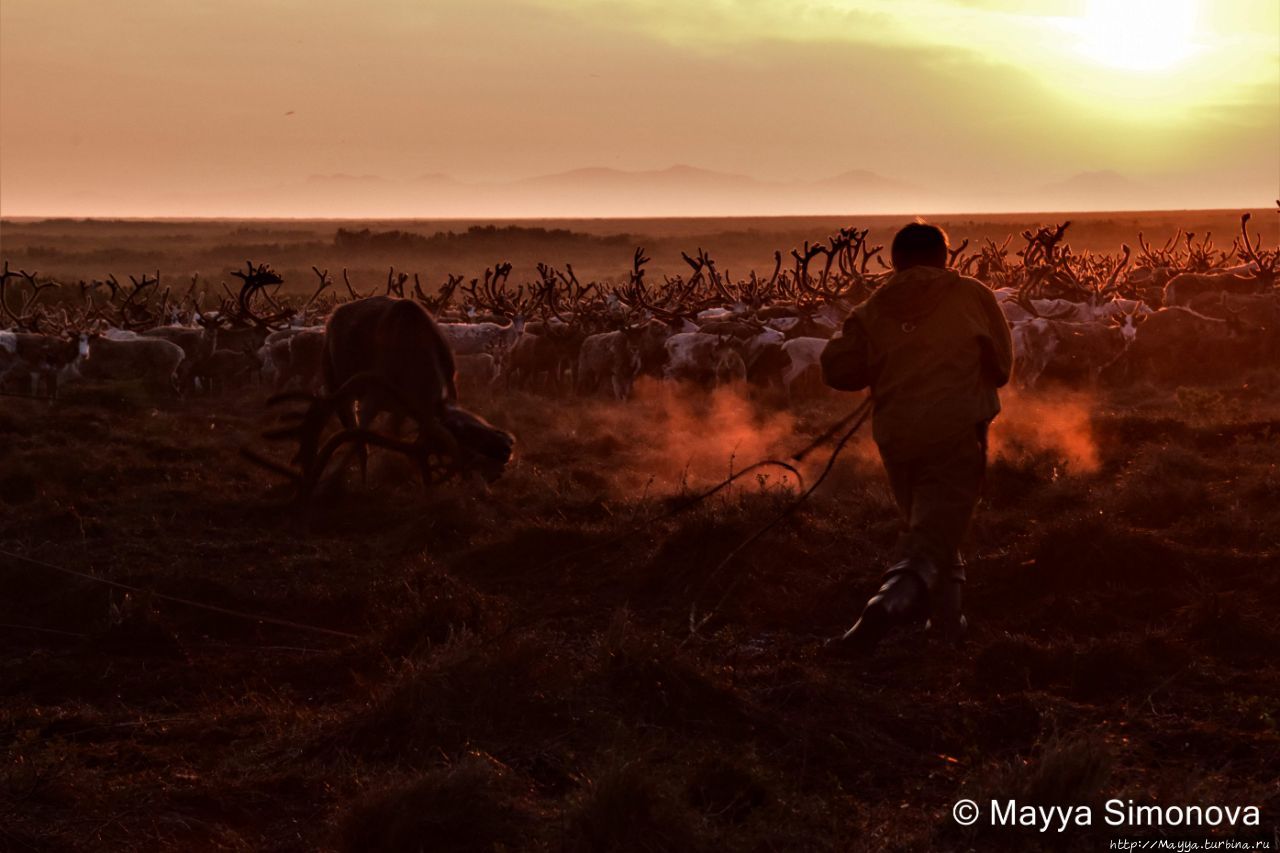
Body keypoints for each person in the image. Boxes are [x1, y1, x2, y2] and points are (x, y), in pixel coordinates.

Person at [820, 221, 1013, 651]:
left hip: (897, 436)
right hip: (959, 430)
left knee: (930, 526)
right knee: (936, 531)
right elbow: (1002, 368)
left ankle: (947, 625)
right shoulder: (972, 295)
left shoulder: (872, 307)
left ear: (895, 261)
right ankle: (889, 601)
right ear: (946, 258)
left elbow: (839, 370)